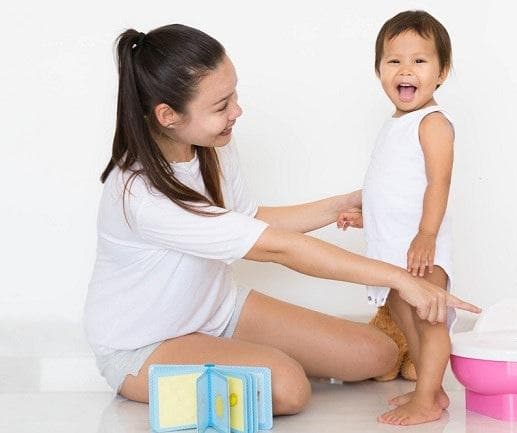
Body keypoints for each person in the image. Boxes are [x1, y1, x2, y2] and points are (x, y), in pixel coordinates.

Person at [83, 23, 480, 417]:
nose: (237, 111)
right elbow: (276, 246)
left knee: (379, 354)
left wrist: (346, 204)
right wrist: (399, 278)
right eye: (221, 106)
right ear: (168, 115)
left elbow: (251, 219)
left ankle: (235, 356)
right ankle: (214, 366)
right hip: (143, 345)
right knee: (287, 387)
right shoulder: (139, 195)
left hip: (216, 311)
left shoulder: (209, 146)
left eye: (233, 94)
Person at [337, 10, 459, 425]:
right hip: (393, 248)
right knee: (407, 319)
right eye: (394, 61)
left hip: (420, 248)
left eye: (420, 61)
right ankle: (432, 390)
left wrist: (427, 235)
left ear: (442, 72)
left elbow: (438, 183)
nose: (406, 70)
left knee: (428, 320)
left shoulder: (432, 123)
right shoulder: (396, 124)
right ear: (379, 71)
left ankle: (425, 398)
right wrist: (366, 216)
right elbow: (395, 188)